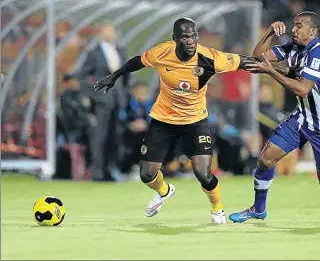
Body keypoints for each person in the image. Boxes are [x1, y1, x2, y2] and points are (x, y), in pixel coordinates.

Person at [94, 17, 259, 224]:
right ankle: (164, 192)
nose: (190, 41)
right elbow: (138, 61)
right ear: (175, 39)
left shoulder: (209, 57)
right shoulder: (162, 52)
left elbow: (243, 61)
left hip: (195, 121)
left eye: (193, 36)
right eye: (185, 37)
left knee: (203, 172)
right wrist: (115, 76)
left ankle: (217, 208)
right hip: (164, 119)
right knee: (146, 174)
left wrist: (278, 70)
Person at [229, 11, 320, 225]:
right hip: (301, 119)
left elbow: (303, 89)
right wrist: (269, 32)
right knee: (266, 158)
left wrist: (271, 72)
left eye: (299, 26)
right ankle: (258, 209)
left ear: (312, 32)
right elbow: (259, 55)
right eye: (294, 25)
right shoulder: (293, 49)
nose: (294, 30)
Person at [77, 24, 126, 182]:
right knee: (100, 136)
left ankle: (110, 170)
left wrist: (124, 92)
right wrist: (90, 94)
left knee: (114, 136)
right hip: (101, 99)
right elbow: (83, 74)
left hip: (117, 99)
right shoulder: (94, 53)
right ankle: (97, 172)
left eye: (113, 31)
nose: (111, 34)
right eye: (108, 30)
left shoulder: (119, 50)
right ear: (101, 33)